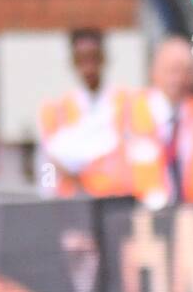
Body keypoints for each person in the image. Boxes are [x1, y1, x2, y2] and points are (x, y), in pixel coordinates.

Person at [36, 29, 138, 199]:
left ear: (103, 58)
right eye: (82, 59)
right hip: (72, 205)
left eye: (93, 58)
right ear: (73, 62)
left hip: (115, 201)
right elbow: (46, 166)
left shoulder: (128, 104)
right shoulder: (56, 112)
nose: (88, 67)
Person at [126, 35, 193, 208]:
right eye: (171, 70)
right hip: (138, 215)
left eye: (185, 71)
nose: (177, 79)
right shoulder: (128, 113)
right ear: (153, 71)